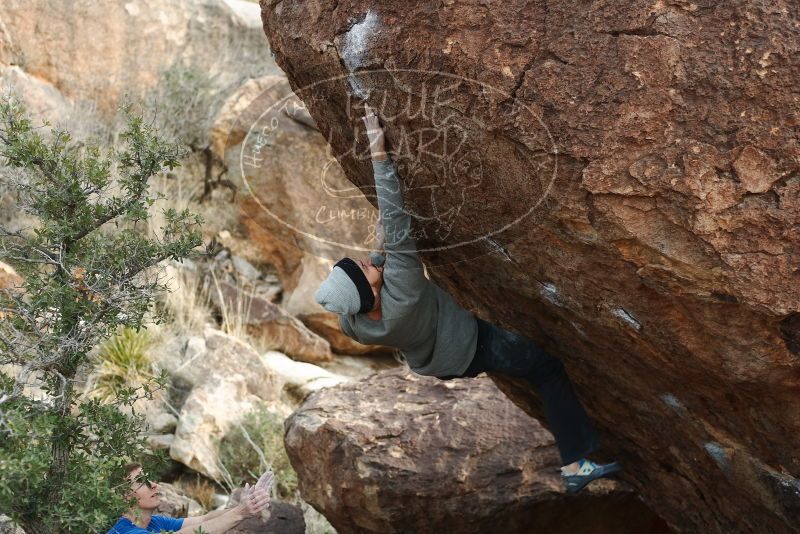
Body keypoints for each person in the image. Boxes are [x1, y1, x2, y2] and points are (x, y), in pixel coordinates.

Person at [314, 105, 621, 493]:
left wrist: (375, 257)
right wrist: (378, 151)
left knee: (525, 365)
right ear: (370, 290)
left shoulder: (354, 322)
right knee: (547, 369)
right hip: (472, 344)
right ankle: (575, 464)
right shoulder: (405, 289)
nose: (360, 261)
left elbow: (369, 282)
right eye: (359, 269)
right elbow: (396, 219)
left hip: (440, 361)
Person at [107, 463, 273, 533]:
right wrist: (240, 512)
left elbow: (204, 519)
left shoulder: (155, 522)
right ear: (125, 496)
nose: (153, 485)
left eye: (149, 478)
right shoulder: (125, 531)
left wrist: (242, 506)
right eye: (141, 482)